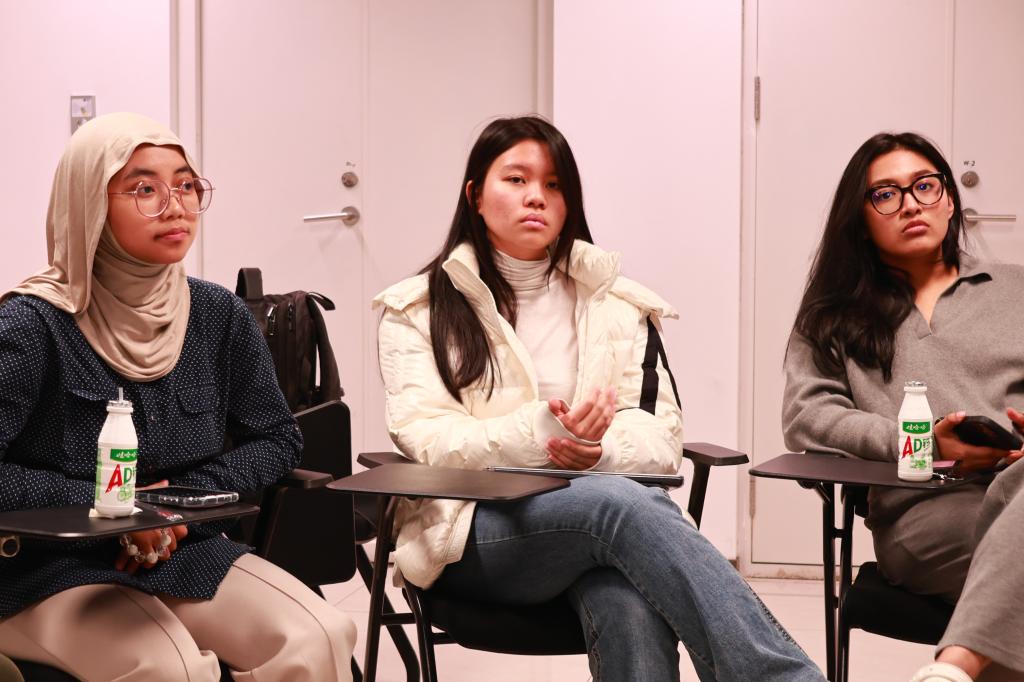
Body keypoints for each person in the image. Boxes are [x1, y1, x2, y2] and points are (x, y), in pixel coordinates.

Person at [374, 115, 824, 681]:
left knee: (626, 595)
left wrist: (599, 452)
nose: (536, 196)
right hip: (470, 532)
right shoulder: (416, 309)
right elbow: (426, 437)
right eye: (516, 179)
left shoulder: (621, 307)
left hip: (601, 525)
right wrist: (541, 435)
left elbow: (660, 436)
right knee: (616, 504)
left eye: (554, 184)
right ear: (475, 196)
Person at [0, 113, 356, 681]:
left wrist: (178, 508)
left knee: (319, 635)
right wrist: (114, 505)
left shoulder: (217, 314)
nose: (176, 206)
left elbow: (277, 437)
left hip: (179, 549)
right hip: (41, 565)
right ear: (88, 203)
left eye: (186, 185)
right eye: (145, 189)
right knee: (170, 667)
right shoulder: (33, 324)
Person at [783, 131, 1024, 682]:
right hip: (926, 511)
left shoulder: (1016, 291)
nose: (911, 204)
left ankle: (953, 668)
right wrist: (921, 442)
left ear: (949, 200)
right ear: (860, 218)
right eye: (886, 194)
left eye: (924, 186)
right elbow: (806, 417)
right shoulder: (833, 314)